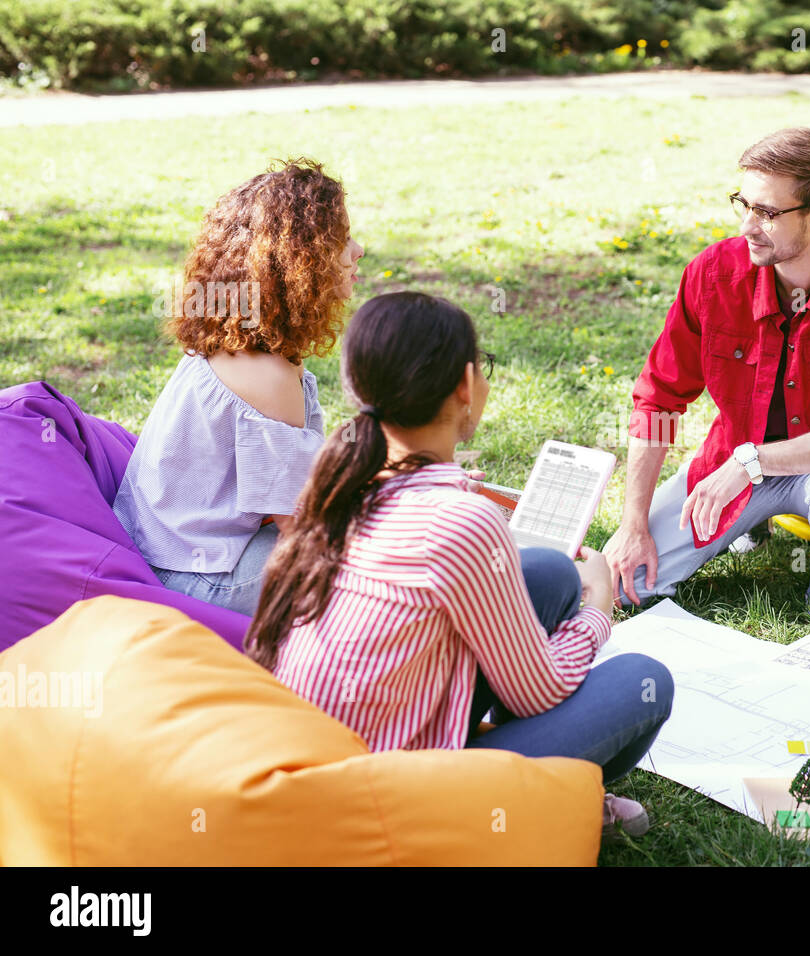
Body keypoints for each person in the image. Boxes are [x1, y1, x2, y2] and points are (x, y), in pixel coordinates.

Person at [243, 291, 673, 839]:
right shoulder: (462, 522)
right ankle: (543, 808)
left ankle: (532, 785)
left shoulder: (341, 483)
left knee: (547, 572)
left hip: (323, 765)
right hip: (388, 805)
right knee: (645, 681)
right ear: (465, 387)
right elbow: (535, 691)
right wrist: (597, 607)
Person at [604, 127, 810, 620]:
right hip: (731, 463)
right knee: (624, 586)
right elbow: (658, 399)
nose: (748, 226)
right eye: (743, 204)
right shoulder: (711, 274)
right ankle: (748, 522)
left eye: (767, 213)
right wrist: (633, 523)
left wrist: (752, 463)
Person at [112, 158, 363, 615]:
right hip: (197, 580)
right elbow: (303, 522)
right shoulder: (269, 377)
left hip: (159, 550)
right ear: (300, 261)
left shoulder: (225, 337)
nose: (358, 249)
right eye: (341, 239)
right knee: (360, 565)